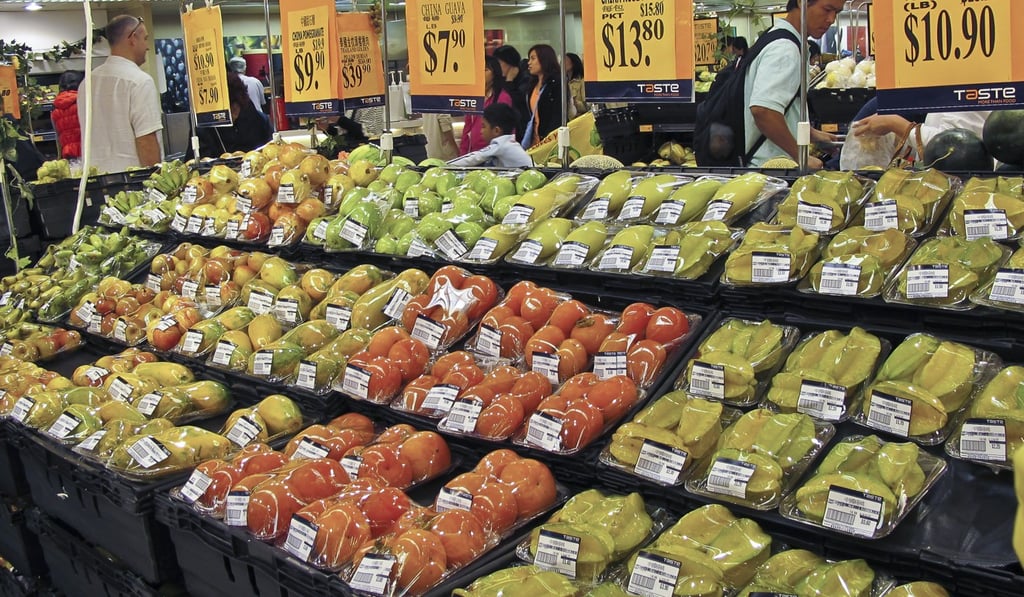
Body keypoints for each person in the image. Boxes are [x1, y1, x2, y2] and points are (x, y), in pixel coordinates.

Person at [743, 0, 843, 168]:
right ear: (802, 3)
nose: (831, 19)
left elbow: (782, 108)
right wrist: (800, 156)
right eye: (827, 9)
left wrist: (811, 134)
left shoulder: (776, 37)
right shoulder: (785, 48)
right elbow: (764, 111)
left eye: (837, 13)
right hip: (769, 170)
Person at [78, 14, 163, 172]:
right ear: (133, 38)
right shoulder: (139, 81)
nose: (147, 46)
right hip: (132, 182)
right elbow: (146, 141)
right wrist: (157, 179)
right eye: (145, 39)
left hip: (95, 180)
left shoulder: (86, 84)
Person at [193, 72, 271, 157]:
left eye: (236, 108)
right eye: (231, 109)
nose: (235, 114)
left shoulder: (253, 116)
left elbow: (266, 144)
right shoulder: (204, 126)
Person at [448, 103, 532, 168]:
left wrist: (445, 165)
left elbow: (474, 157)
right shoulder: (509, 143)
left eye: (483, 126)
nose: (481, 131)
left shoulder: (501, 145)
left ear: (496, 130)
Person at [460, 56, 514, 156]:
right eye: (478, 69)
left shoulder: (502, 98)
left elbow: (508, 129)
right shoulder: (473, 97)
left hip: (493, 153)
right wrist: (463, 152)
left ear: (494, 74)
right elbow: (467, 128)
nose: (481, 73)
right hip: (473, 153)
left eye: (485, 70)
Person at [522, 44, 570, 148]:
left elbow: (558, 115)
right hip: (533, 141)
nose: (529, 62)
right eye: (529, 59)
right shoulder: (531, 85)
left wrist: (549, 140)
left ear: (544, 59)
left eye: (533, 58)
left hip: (550, 141)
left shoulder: (557, 83)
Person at [493, 45, 531, 143]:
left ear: (509, 62)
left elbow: (517, 101)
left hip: (521, 131)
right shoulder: (500, 80)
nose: (496, 67)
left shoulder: (525, 79)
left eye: (499, 63)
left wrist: (509, 81)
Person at [50, 70, 84, 159]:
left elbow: (57, 134)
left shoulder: (55, 107)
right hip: (87, 150)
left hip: (68, 153)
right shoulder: (83, 101)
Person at [565, 52, 588, 117]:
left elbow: (587, 106)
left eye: (565, 60)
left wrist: (574, 102)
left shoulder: (582, 81)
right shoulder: (563, 82)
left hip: (579, 119)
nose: (562, 63)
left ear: (573, 63)